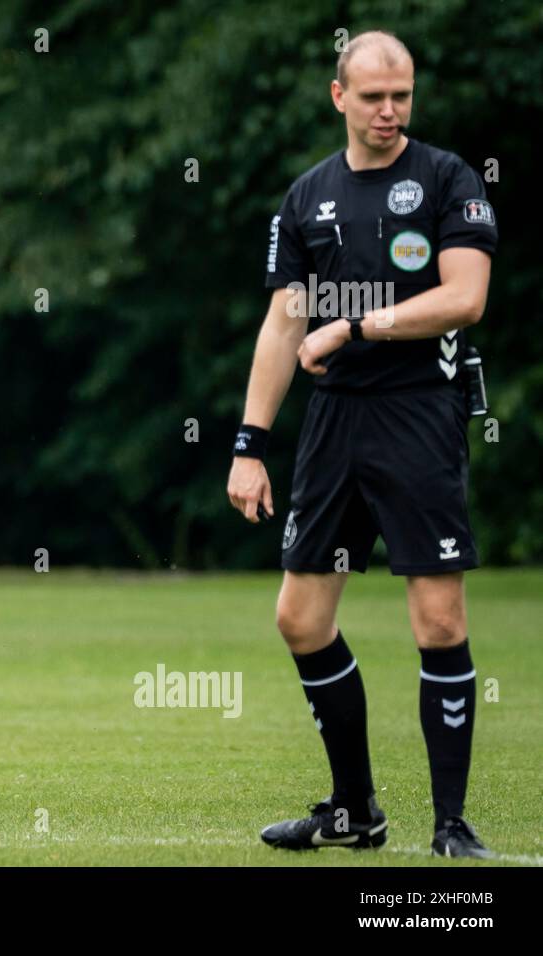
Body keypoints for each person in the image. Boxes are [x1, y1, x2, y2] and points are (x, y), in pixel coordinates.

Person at [227, 31, 497, 857]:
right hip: (335, 426)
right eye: (374, 96)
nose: (390, 111)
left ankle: (451, 824)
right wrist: (249, 442)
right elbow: (283, 322)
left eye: (403, 96)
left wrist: (360, 323)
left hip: (420, 414)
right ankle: (354, 810)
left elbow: (466, 297)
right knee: (300, 618)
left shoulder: (449, 179)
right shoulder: (308, 195)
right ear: (338, 96)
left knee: (439, 619)